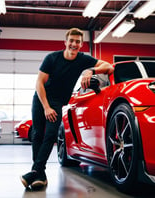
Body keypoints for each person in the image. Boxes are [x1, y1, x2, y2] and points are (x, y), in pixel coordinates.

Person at [20, 27, 114, 189]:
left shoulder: (83, 59)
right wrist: (46, 107)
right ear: (65, 42)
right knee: (37, 134)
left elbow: (109, 67)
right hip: (41, 98)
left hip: (58, 101)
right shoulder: (52, 58)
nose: (74, 44)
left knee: (50, 135)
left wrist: (91, 70)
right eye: (71, 41)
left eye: (77, 41)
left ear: (81, 44)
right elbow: (39, 83)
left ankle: (36, 172)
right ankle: (39, 174)